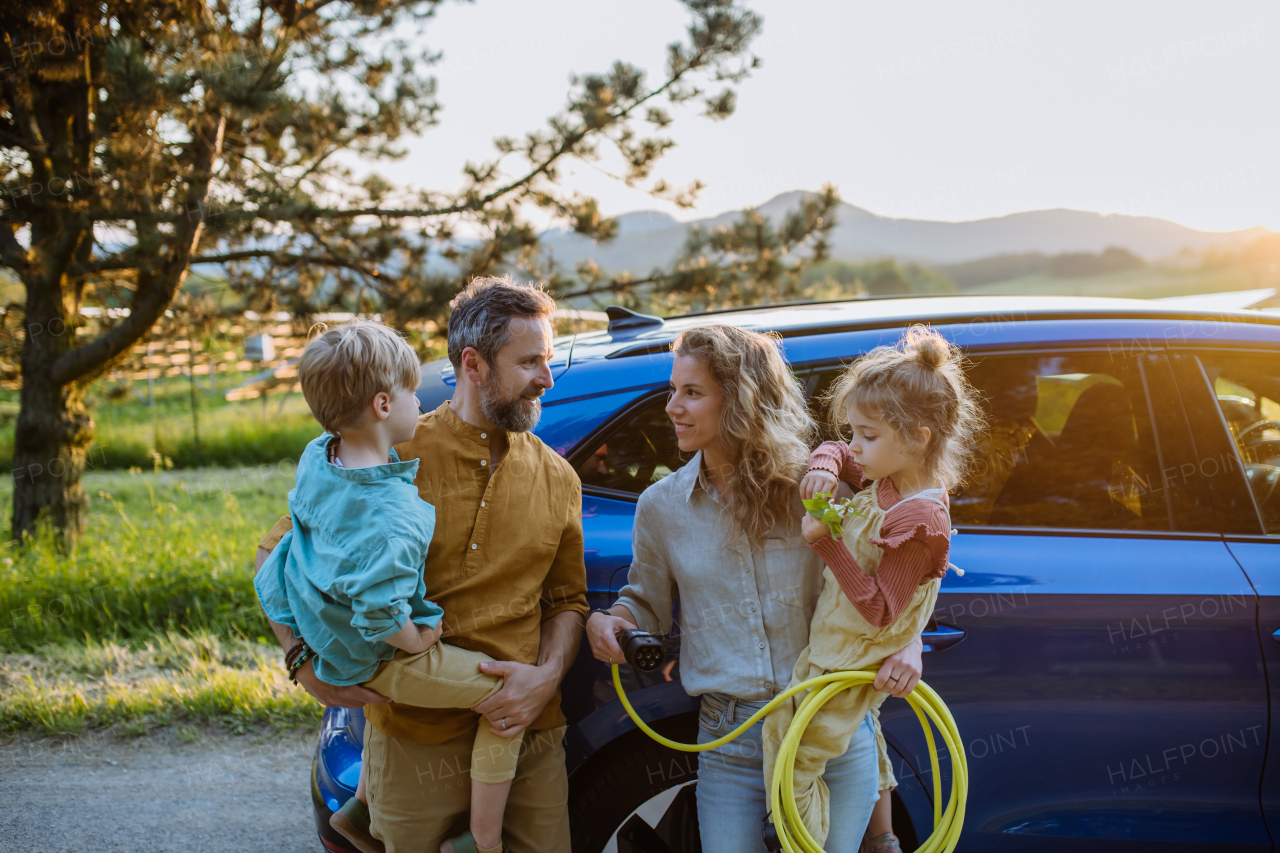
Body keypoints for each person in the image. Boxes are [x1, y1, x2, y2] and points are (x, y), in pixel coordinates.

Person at [254, 276, 588, 853]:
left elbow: (567, 603)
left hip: (526, 740)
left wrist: (547, 678)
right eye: (530, 360)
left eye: (548, 359)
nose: (547, 378)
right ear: (473, 363)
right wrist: (301, 660)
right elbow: (275, 554)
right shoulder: (388, 454)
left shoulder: (560, 478)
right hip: (411, 736)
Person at [585, 325, 925, 853]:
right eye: (673, 391)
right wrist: (611, 623)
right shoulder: (661, 507)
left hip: (827, 724)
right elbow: (643, 606)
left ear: (742, 400)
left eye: (692, 393)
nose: (673, 406)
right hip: (731, 741)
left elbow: (908, 564)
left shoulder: (818, 490)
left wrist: (910, 642)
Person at [761, 325, 983, 850]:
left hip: (852, 653)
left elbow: (883, 610)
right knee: (786, 738)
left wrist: (827, 545)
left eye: (868, 435)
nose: (854, 447)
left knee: (794, 762)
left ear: (917, 438)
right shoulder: (889, 475)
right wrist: (822, 465)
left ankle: (802, 842)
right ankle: (872, 839)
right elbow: (837, 449)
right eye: (855, 432)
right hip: (832, 649)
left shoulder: (921, 519)